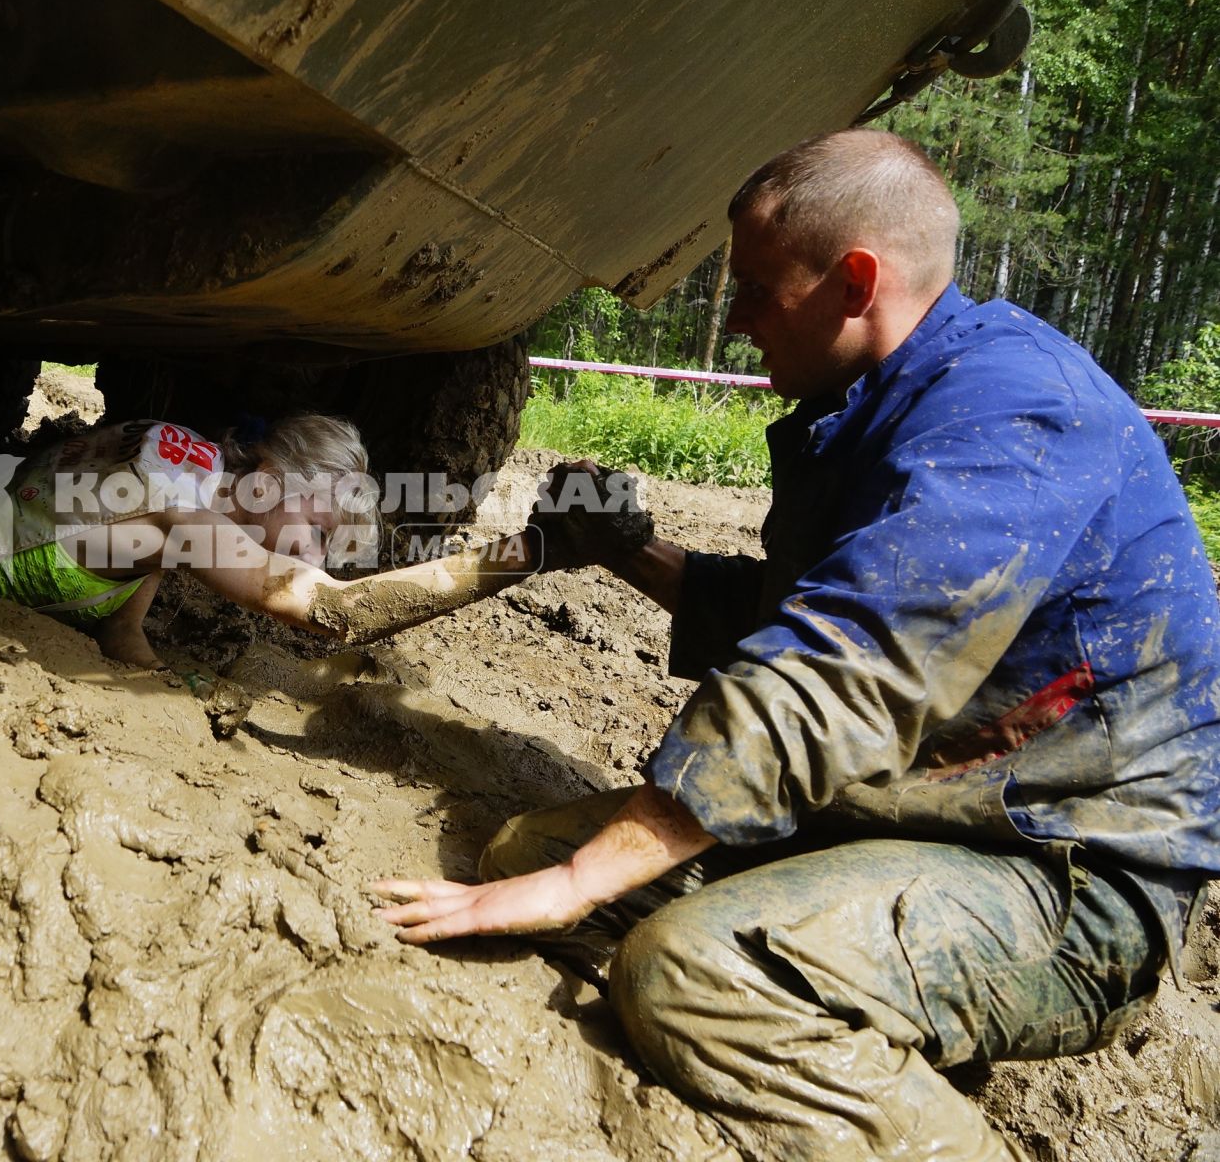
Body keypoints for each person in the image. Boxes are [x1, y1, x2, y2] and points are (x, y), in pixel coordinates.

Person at [374, 129, 1220, 1161]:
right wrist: (629, 553)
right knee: (529, 851)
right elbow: (798, 606)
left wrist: (576, 887)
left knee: (682, 970)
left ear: (853, 279)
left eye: (755, 289)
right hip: (913, 808)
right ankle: (847, 1021)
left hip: (1066, 871)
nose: (731, 324)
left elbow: (843, 669)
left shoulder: (1013, 412)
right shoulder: (876, 403)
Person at [0, 413, 622, 666]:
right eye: (314, 527)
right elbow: (332, 612)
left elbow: (123, 629)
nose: (309, 556)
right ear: (269, 472)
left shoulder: (188, 475)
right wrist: (529, 553)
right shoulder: (181, 506)